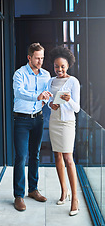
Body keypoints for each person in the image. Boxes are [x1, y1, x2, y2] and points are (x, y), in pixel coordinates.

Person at [13, 42, 52, 211]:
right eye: (37, 58)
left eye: (42, 58)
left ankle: (33, 190)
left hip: (38, 119)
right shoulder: (19, 74)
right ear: (29, 57)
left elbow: (47, 96)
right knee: (21, 157)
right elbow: (19, 92)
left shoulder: (46, 75)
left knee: (35, 155)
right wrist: (38, 96)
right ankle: (19, 196)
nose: (40, 61)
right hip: (21, 120)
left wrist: (48, 100)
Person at [47, 45, 80, 216]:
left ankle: (75, 198)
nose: (59, 69)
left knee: (68, 158)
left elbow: (77, 108)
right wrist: (50, 104)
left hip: (67, 124)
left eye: (62, 66)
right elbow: (48, 101)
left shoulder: (73, 81)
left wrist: (68, 100)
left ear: (68, 66)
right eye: (56, 66)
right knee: (57, 156)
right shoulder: (51, 81)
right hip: (54, 121)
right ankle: (64, 191)